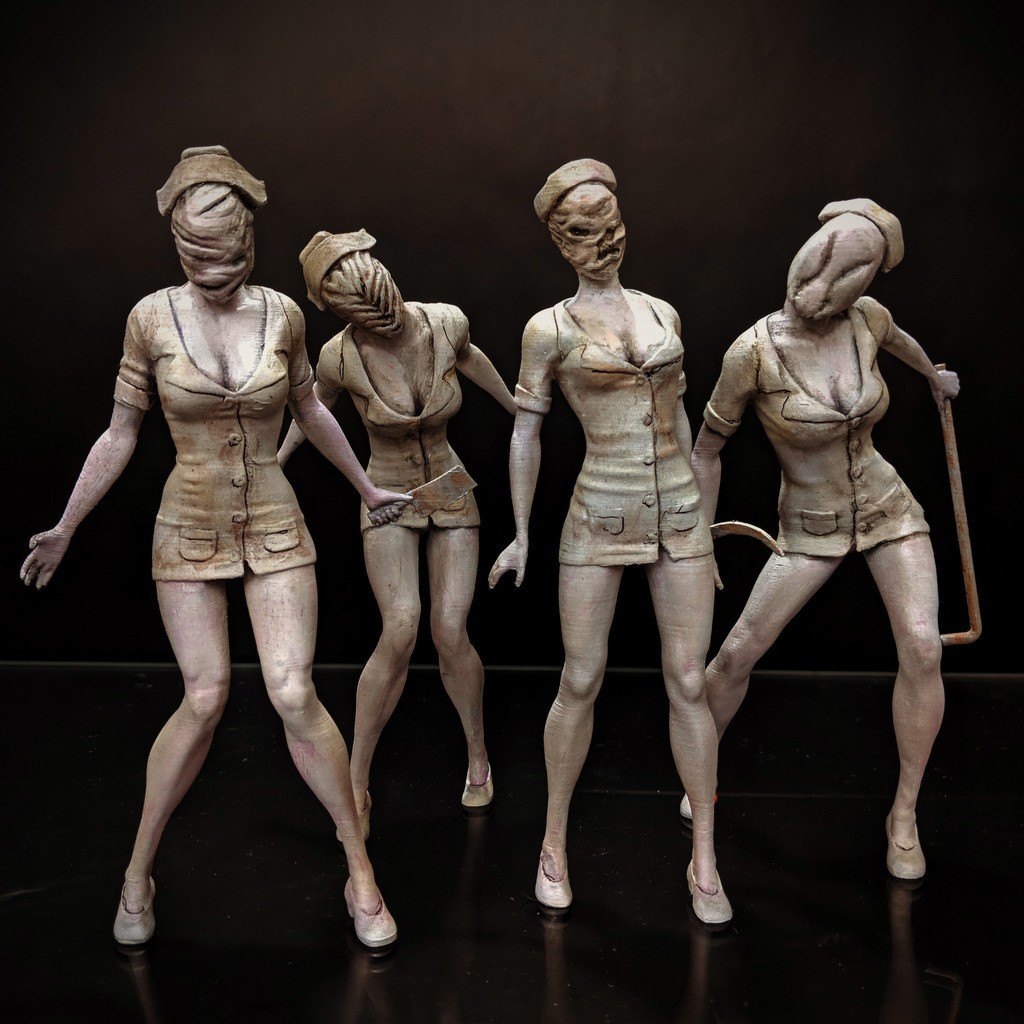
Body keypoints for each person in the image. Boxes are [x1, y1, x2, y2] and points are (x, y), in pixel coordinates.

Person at [19, 147, 407, 949]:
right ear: (176, 246)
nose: (215, 270)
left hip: (274, 517)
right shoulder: (151, 318)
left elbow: (311, 411)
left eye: (228, 253)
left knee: (293, 692)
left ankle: (359, 866)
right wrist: (66, 524)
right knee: (204, 697)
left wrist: (368, 489)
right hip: (189, 520)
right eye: (197, 256)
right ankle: (137, 872)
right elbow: (120, 432)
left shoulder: (283, 315)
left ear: (250, 241)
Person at [489, 159, 731, 925]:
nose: (603, 242)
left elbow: (684, 422)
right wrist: (521, 532)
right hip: (599, 511)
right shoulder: (550, 329)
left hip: (679, 513)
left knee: (687, 680)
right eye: (583, 231)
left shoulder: (663, 313)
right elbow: (525, 433)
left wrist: (706, 523)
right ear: (561, 241)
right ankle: (552, 842)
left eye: (612, 224)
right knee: (581, 677)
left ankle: (704, 858)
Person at [687, 199, 959, 879]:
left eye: (855, 270)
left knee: (923, 647)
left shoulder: (868, 320)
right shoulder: (752, 352)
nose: (829, 283)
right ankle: (698, 768)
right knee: (736, 654)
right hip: (811, 525)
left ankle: (904, 815)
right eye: (827, 261)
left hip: (889, 507)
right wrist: (699, 536)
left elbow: (903, 343)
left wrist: (935, 379)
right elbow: (708, 448)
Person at [280, 230, 516, 836]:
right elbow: (312, 411)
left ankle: (478, 756)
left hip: (450, 487)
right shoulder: (337, 357)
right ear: (334, 309)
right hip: (386, 493)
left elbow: (473, 360)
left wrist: (521, 409)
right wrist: (274, 462)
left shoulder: (445, 323)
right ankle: (356, 777)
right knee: (402, 626)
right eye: (361, 312)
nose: (381, 319)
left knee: (450, 628)